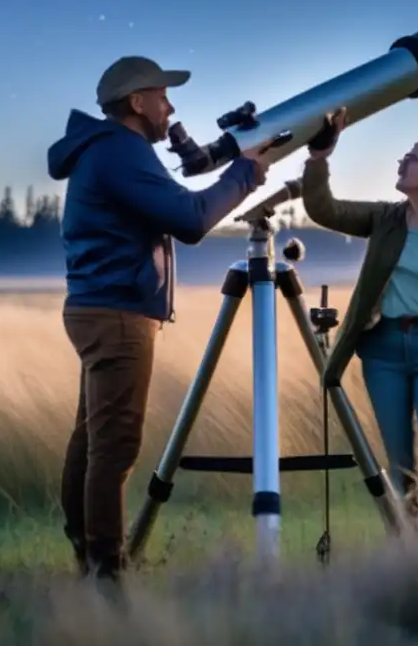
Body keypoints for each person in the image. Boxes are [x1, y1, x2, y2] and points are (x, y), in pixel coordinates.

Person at [46, 56, 268, 581]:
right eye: (163, 96)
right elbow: (190, 220)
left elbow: (178, 206)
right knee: (114, 445)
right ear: (137, 102)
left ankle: (88, 553)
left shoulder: (109, 151)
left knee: (93, 438)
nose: (171, 107)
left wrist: (236, 166)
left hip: (99, 307)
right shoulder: (121, 152)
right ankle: (107, 572)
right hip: (117, 314)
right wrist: (245, 174)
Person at [300, 107, 418, 518]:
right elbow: (324, 210)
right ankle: (412, 556)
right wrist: (319, 158)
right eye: (404, 156)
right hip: (383, 351)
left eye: (415, 157)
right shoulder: (385, 218)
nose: (403, 161)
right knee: (401, 471)